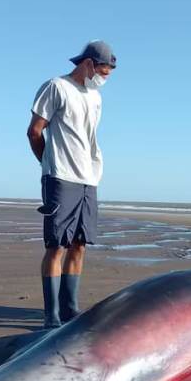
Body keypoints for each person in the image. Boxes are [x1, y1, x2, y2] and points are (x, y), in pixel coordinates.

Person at [26, 40, 117, 328]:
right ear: (88, 63)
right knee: (57, 246)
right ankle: (51, 316)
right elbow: (34, 131)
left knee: (79, 245)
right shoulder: (56, 87)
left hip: (88, 179)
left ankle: (70, 310)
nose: (104, 78)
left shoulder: (95, 98)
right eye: (103, 72)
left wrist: (92, 170)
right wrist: (48, 165)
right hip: (60, 177)